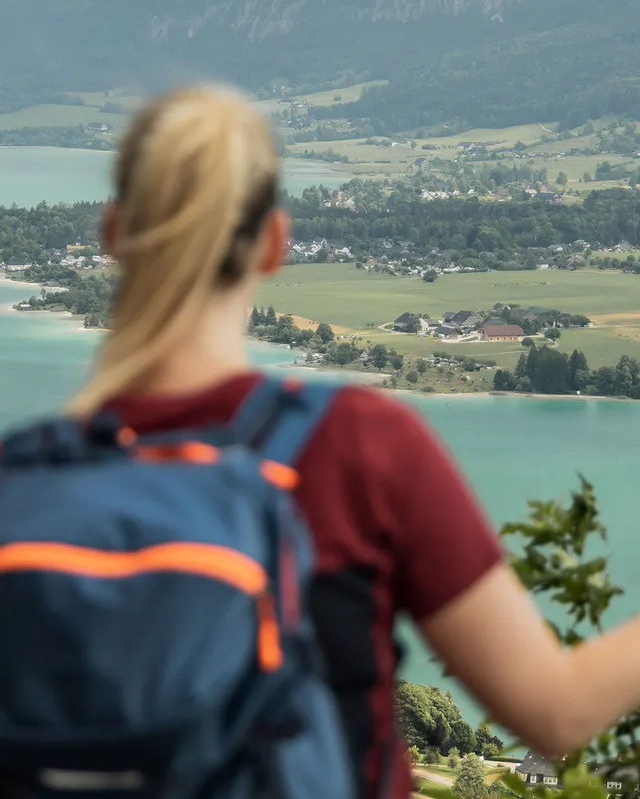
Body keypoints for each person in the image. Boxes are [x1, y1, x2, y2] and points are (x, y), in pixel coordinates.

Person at [69, 85, 640, 799]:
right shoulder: (359, 444)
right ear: (276, 242)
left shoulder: (21, 479)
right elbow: (555, 712)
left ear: (112, 232)